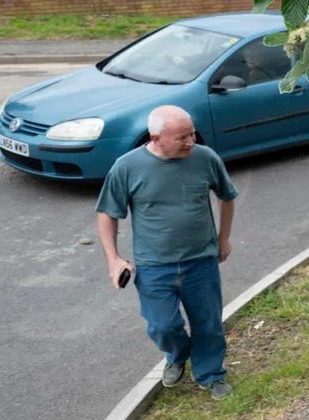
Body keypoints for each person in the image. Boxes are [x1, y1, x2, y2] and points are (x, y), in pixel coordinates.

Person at [96, 105, 239, 399]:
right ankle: (178, 354)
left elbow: (227, 196)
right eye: (182, 137)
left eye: (192, 134)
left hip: (201, 261)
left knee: (208, 323)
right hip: (154, 266)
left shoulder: (205, 158)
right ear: (155, 137)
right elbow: (108, 213)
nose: (191, 142)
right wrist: (113, 259)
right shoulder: (127, 167)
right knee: (162, 326)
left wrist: (224, 238)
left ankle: (211, 373)